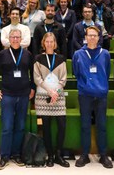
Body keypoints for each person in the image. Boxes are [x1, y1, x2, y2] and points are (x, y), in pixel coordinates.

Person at [0, 29, 35, 170]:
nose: (15, 39)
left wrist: (33, 88)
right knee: (7, 127)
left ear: (21, 38)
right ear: (9, 39)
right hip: (8, 95)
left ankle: (16, 154)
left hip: (23, 95)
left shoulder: (28, 54)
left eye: (17, 37)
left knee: (20, 127)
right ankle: (4, 156)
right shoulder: (3, 55)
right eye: (13, 37)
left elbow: (34, 74)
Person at [72, 27, 113, 169]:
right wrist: (85, 84)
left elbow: (106, 72)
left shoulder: (105, 54)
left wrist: (100, 85)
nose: (92, 38)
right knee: (85, 125)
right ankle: (84, 154)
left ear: (99, 37)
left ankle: (103, 155)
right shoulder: (78, 54)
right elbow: (76, 73)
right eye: (89, 35)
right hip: (85, 94)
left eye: (95, 35)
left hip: (101, 94)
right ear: (85, 37)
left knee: (101, 125)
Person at [33, 33, 69, 167]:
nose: (49, 44)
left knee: (62, 125)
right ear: (43, 43)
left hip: (58, 96)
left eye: (51, 41)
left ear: (55, 43)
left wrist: (56, 93)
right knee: (46, 128)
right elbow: (37, 79)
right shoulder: (38, 58)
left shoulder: (61, 58)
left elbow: (63, 79)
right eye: (46, 41)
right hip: (43, 96)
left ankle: (58, 154)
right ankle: (50, 155)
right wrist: (49, 91)